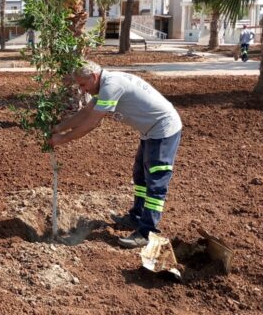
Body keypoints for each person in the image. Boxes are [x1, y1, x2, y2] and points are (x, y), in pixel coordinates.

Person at [48, 61, 182, 249]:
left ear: (94, 77)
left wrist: (62, 139)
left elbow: (92, 122)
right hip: (149, 131)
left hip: (163, 130)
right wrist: (58, 128)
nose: (83, 90)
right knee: (140, 176)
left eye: (83, 85)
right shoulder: (105, 84)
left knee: (156, 181)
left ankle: (147, 232)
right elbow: (86, 112)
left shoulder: (111, 86)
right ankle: (136, 217)